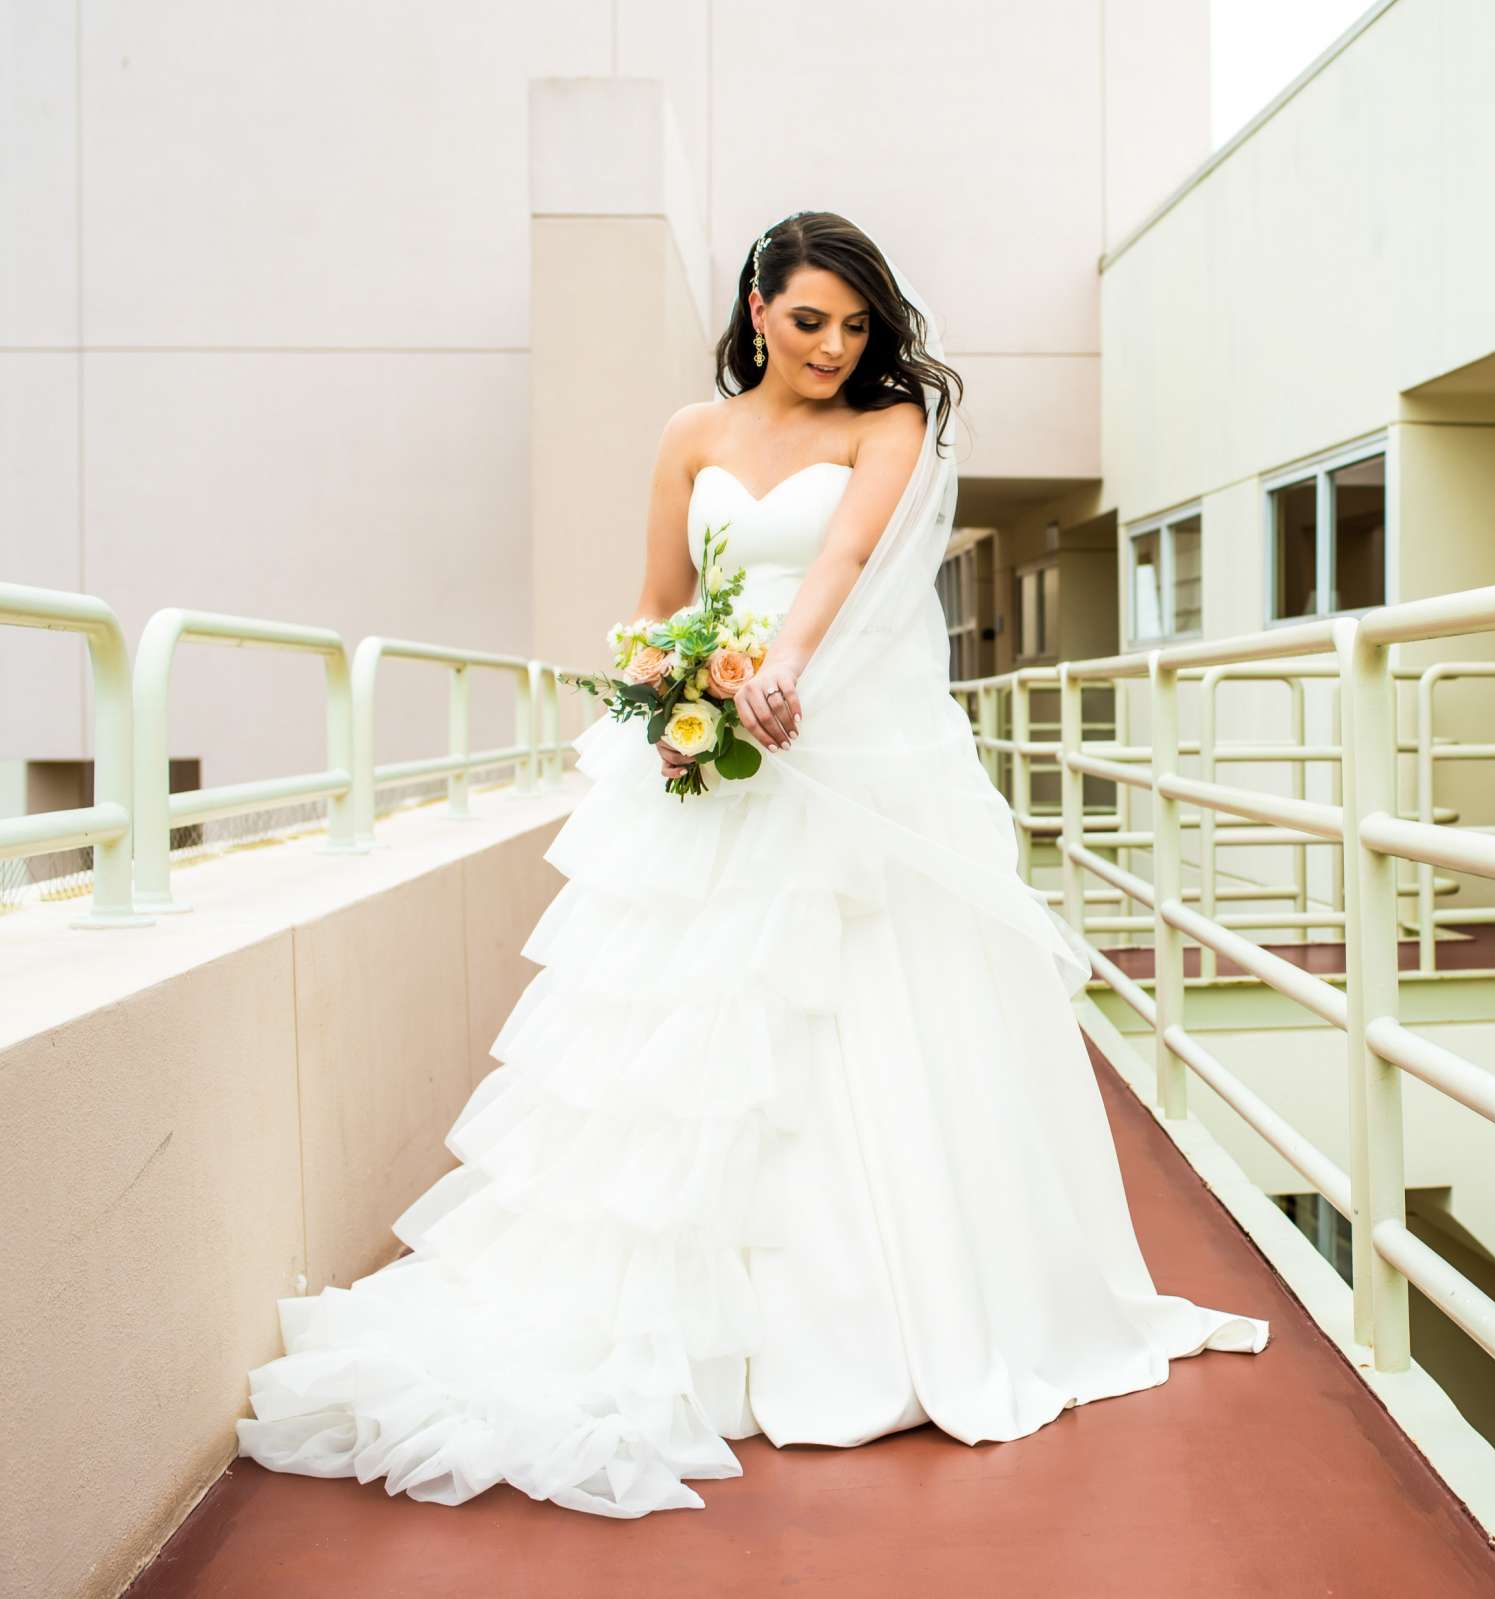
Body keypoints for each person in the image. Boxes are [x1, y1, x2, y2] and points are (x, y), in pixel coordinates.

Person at [232, 210, 1270, 1518]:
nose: (836, 346)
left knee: (861, 1019)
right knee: (679, 1039)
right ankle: (667, 1326)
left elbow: (843, 555)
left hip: (846, 752)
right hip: (712, 761)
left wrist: (785, 669)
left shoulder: (886, 427)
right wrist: (674, 687)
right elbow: (659, 600)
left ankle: (875, 1325)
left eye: (855, 324)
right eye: (809, 320)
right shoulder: (693, 436)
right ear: (756, 307)